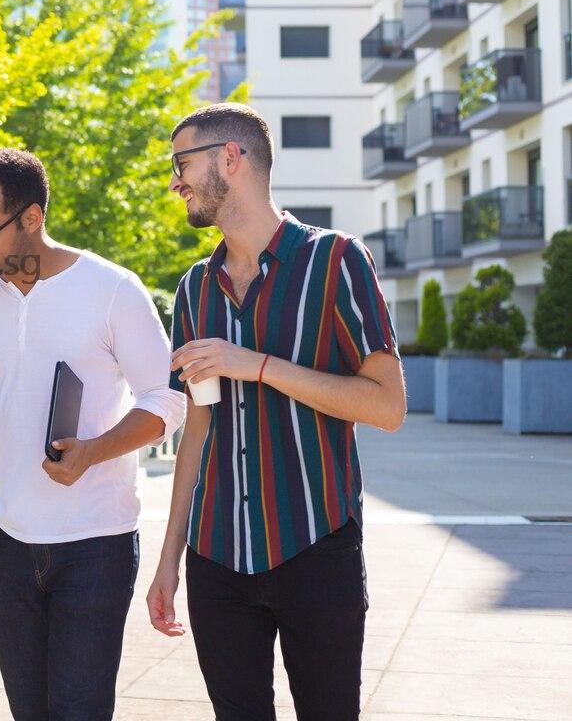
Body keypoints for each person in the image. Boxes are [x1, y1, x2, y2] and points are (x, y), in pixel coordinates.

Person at [149, 103, 407, 721]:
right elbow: (199, 427)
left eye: (182, 163)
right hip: (215, 559)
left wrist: (257, 364)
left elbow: (388, 406)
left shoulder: (338, 261)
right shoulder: (194, 288)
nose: (175, 181)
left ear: (229, 159)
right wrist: (168, 561)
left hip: (316, 547)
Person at [0, 148, 186, 721]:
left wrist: (95, 451)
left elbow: (167, 398)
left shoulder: (112, 289)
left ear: (31, 218)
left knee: (78, 711)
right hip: (6, 538)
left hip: (95, 544)